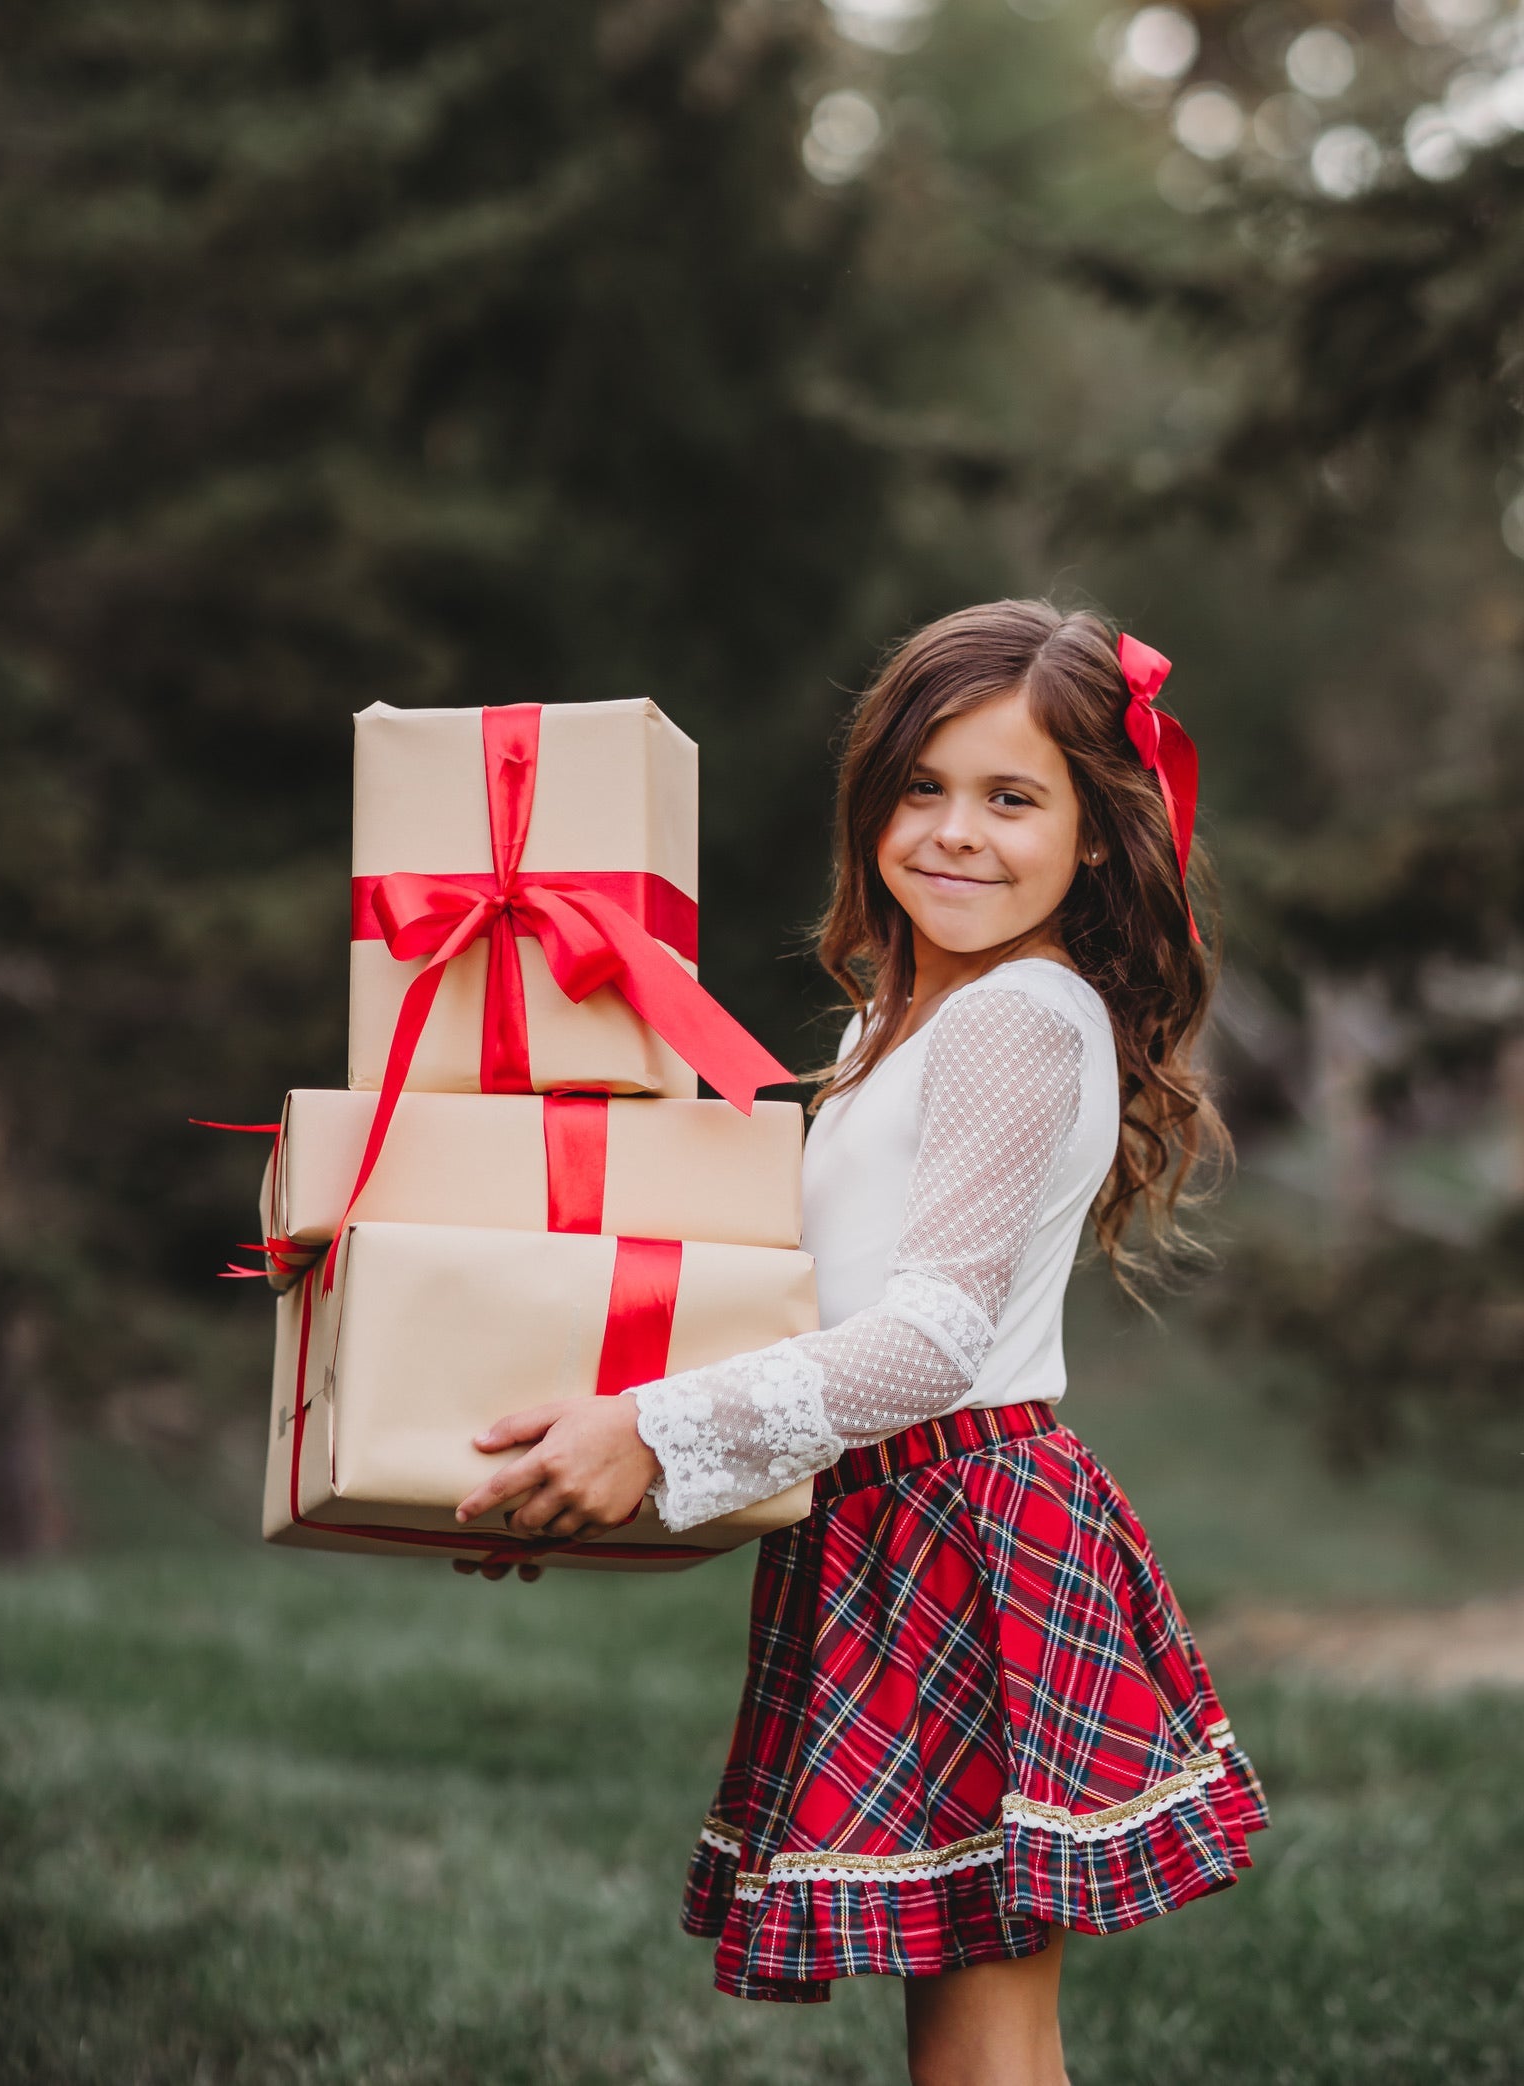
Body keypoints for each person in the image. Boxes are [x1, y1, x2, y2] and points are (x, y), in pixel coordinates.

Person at [456, 599, 1269, 2085]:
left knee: (984, 2043)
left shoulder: (1018, 1018)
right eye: (922, 787)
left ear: (1096, 835)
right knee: (971, 2038)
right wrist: (594, 1465)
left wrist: (650, 1433)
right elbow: (804, 1312)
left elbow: (932, 1339)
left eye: (1012, 798)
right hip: (896, 1516)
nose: (956, 832)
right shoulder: (902, 1023)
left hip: (965, 1524)